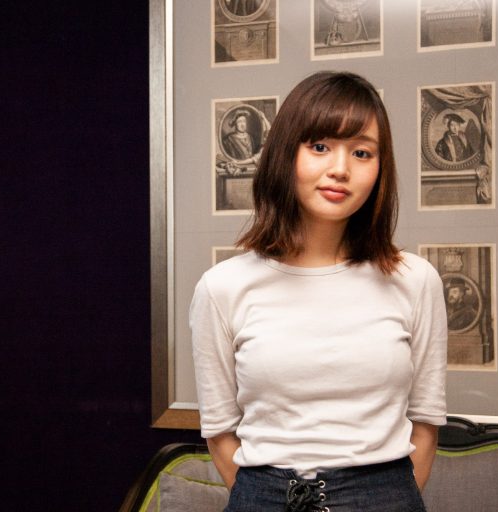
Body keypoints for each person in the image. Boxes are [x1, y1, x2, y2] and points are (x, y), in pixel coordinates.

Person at [190, 72, 447, 512]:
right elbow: (220, 430)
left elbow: (425, 421)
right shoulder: (222, 287)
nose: (341, 169)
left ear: (380, 169)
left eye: (362, 152)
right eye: (320, 147)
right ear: (285, 154)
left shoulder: (415, 280)